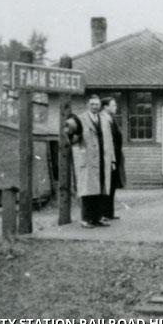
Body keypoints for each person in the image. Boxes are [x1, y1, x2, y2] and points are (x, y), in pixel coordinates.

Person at [69, 94, 115, 228]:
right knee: (88, 191)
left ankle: (98, 218)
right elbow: (72, 139)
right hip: (88, 160)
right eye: (92, 104)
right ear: (87, 105)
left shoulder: (105, 120)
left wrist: (112, 160)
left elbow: (109, 141)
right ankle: (85, 219)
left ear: (100, 105)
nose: (95, 107)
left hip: (102, 160)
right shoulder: (80, 119)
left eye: (97, 104)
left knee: (101, 189)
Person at [100, 96, 125, 221]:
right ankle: (103, 212)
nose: (116, 107)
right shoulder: (102, 119)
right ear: (105, 106)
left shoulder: (112, 119)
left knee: (113, 185)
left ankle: (109, 212)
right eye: (113, 105)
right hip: (107, 156)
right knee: (106, 185)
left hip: (115, 155)